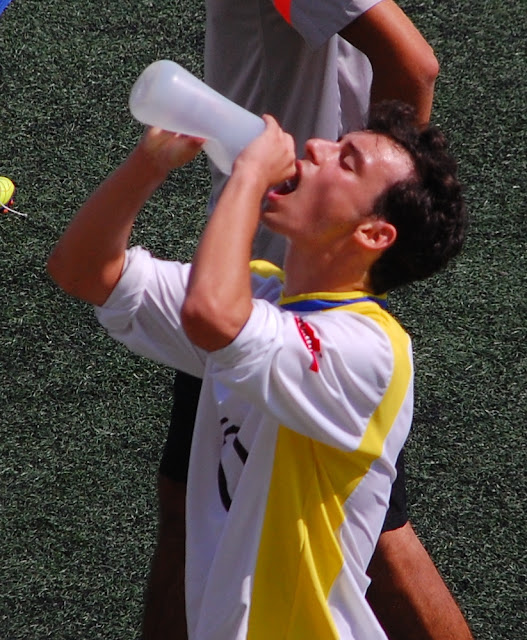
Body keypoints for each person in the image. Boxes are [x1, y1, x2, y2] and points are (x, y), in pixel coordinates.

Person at [47, 100, 468, 639]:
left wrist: (247, 176)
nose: (315, 146)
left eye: (346, 160)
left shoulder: (370, 350)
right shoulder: (261, 295)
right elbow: (82, 269)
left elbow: (211, 316)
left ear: (373, 234)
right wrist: (149, 163)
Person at [146, 1, 474, 638]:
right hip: (282, 267)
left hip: (282, 281)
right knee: (189, 503)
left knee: (376, 540)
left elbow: (412, 67)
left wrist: (358, 216)